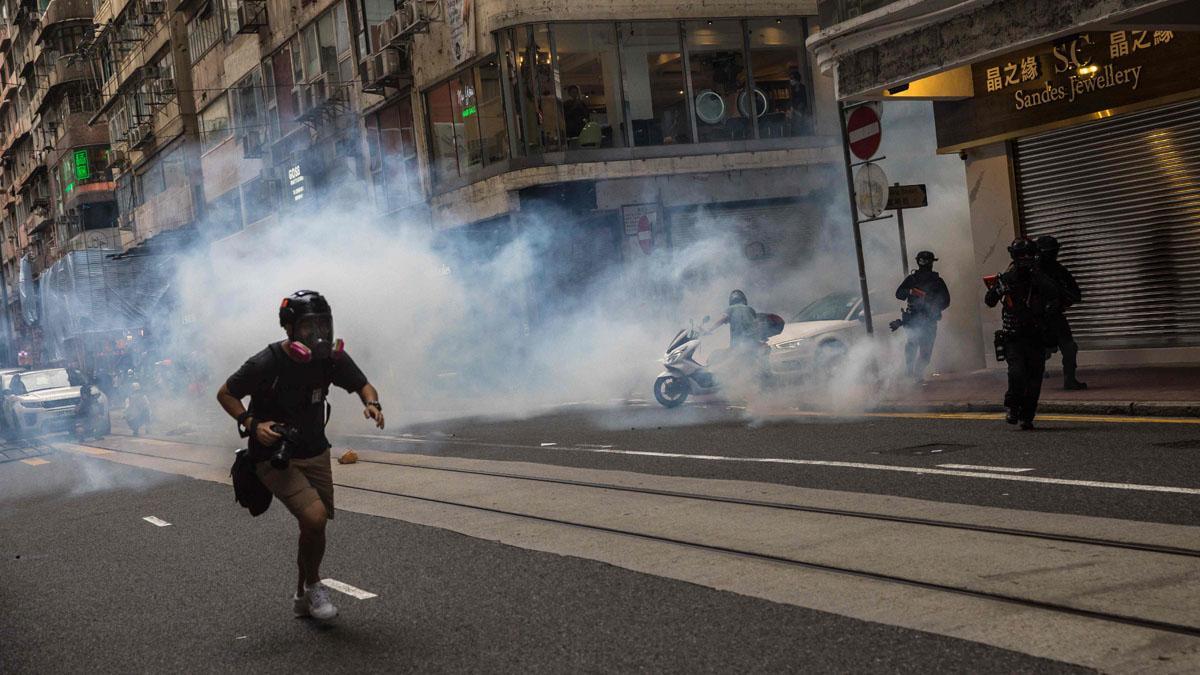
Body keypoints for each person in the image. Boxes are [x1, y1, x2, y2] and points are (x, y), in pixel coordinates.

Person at [216, 290, 385, 621]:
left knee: (315, 528)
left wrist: (372, 403)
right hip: (273, 456)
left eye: (323, 324)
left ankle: (301, 594)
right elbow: (226, 394)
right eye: (309, 327)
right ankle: (314, 586)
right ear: (290, 330)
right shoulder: (266, 363)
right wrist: (252, 424)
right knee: (314, 517)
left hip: (316, 451)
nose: (318, 334)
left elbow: (364, 385)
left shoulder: (329, 359)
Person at [985, 238, 1063, 430]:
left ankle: (1027, 416)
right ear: (1014, 256)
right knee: (1017, 373)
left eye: (1028, 254)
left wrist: (1037, 276)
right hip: (1014, 337)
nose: (1025, 259)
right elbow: (989, 300)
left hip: (1036, 336)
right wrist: (999, 289)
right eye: (1021, 255)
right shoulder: (1007, 277)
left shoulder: (1039, 275)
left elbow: (1056, 294)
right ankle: (1012, 406)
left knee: (1035, 380)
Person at [1036, 235, 1087, 390]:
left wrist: (1060, 301)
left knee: (1069, 347)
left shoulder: (1058, 271)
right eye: (1049, 252)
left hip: (1054, 317)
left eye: (1053, 252)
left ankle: (1070, 379)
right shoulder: (1030, 271)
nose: (1051, 255)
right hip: (1035, 318)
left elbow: (1075, 293)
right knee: (1037, 350)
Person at [894, 250, 951, 383]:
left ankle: (917, 375)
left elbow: (946, 301)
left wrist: (933, 306)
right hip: (913, 319)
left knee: (925, 352)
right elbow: (899, 293)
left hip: (929, 320)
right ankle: (910, 373)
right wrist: (911, 291)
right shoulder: (912, 280)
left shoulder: (937, 281)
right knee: (912, 345)